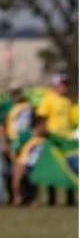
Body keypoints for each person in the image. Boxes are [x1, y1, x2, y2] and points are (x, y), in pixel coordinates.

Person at [35, 74, 76, 206]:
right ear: (56, 85)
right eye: (63, 84)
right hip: (52, 138)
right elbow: (42, 117)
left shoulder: (67, 101)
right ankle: (51, 198)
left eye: (66, 85)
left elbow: (71, 120)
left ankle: (70, 198)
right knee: (51, 167)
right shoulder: (48, 99)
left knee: (69, 167)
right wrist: (43, 133)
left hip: (66, 140)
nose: (65, 87)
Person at [11, 116, 47, 206]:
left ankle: (34, 199)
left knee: (33, 179)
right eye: (44, 125)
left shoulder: (47, 137)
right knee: (17, 176)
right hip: (24, 163)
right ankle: (17, 196)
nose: (46, 127)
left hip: (38, 165)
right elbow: (14, 149)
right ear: (38, 126)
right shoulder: (26, 135)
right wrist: (17, 163)